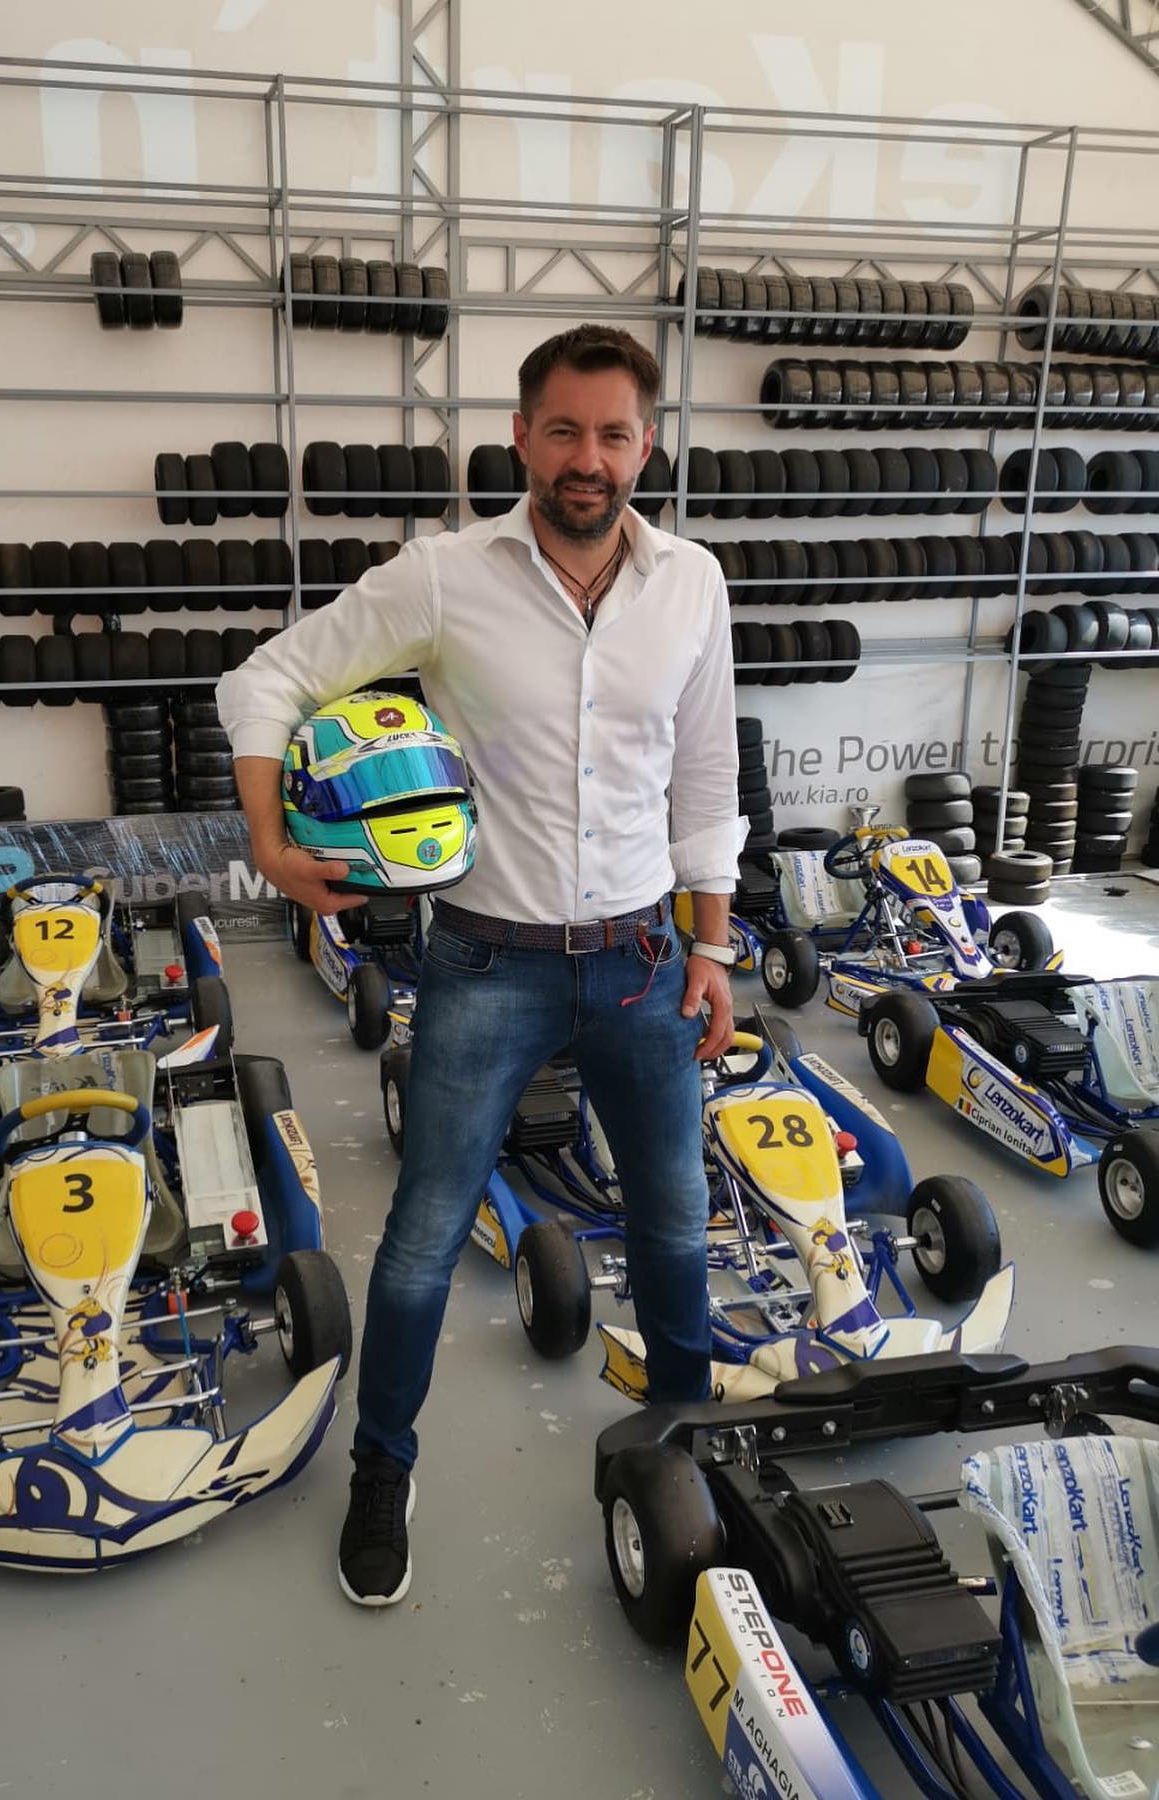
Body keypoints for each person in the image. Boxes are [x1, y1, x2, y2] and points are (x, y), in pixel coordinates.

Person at [216, 323, 744, 1608]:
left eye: (612, 433)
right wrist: (274, 847)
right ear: (519, 437)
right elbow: (265, 680)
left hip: (641, 958)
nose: (586, 457)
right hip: (485, 958)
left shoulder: (692, 583)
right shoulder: (446, 577)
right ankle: (381, 1472)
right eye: (562, 430)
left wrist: (713, 943)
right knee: (421, 1242)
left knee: (675, 1227)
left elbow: (705, 774)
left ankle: (685, 1453)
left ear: (647, 444)